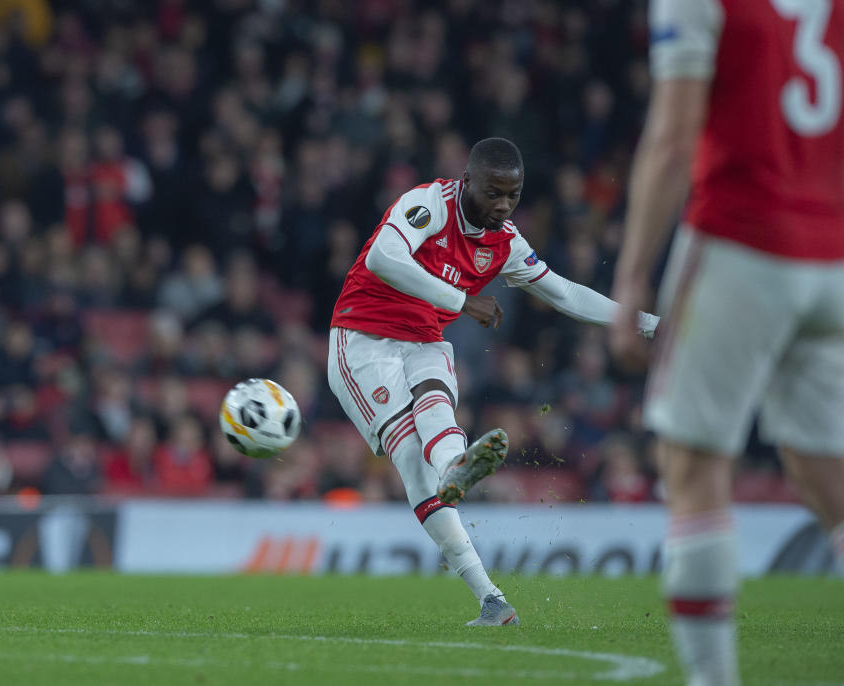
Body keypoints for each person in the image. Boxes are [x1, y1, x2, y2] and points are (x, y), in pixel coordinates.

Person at [328, 137, 659, 626]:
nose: (503, 206)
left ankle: (459, 483)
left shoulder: (504, 241)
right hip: (362, 339)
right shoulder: (428, 205)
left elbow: (564, 293)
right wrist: (460, 300)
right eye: (493, 193)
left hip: (424, 339)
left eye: (513, 196)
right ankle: (484, 584)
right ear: (467, 182)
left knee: (437, 409)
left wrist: (648, 323)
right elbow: (381, 258)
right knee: (409, 459)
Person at [609, 2, 844, 684]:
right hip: (831, 256)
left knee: (693, 462)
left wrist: (631, 278)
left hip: (742, 243)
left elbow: (673, 137)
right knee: (823, 468)